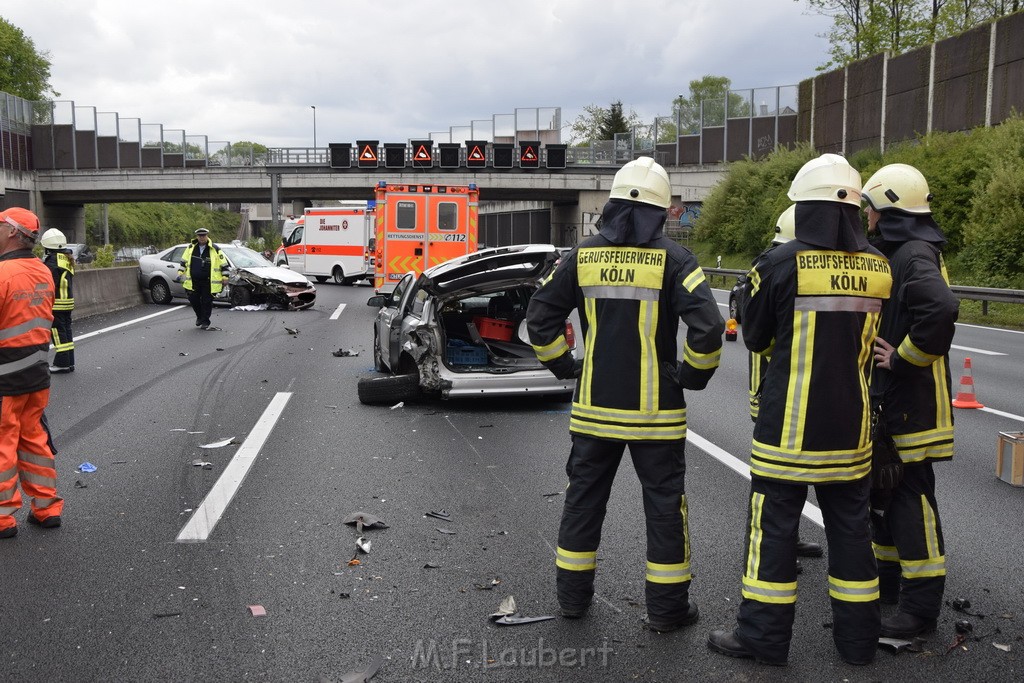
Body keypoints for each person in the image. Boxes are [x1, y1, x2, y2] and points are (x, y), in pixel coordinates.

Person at [707, 154, 892, 666]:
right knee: (853, 535)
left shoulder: (779, 263)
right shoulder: (879, 267)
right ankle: (857, 646)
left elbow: (759, 337)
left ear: (803, 208)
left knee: (772, 536)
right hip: (851, 434)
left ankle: (763, 641)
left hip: (787, 433)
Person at [526, 157, 724, 632]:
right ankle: (668, 611)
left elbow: (539, 320)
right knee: (663, 510)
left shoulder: (580, 256)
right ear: (659, 211)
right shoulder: (677, 261)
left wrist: (565, 366)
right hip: (657, 417)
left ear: (611, 207)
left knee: (583, 503)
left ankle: (572, 602)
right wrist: (689, 378)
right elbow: (709, 329)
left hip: (594, 412)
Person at [862, 163, 958, 639]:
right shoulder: (910, 249)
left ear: (889, 209)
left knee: (910, 499)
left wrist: (902, 358)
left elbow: (939, 310)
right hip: (902, 401)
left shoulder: (913, 254)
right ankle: (891, 585)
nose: (866, 218)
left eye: (871, 208)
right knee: (889, 494)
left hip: (913, 405)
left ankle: (919, 610)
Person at [744, 206, 823, 564]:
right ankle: (764, 542)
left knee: (789, 473)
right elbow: (757, 333)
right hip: (773, 390)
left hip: (789, 389)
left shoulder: (787, 267)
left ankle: (787, 540)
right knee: (773, 475)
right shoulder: (773, 269)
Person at [0, 207, 65, 538]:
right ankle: (46, 507)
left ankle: (2, 517)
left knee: (3, 444)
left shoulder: (2, 275)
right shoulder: (42, 272)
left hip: (4, 378)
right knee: (34, 438)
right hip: (36, 374)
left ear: (12, 232)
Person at [177, 228, 229, 329]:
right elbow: (183, 262)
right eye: (200, 236)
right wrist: (180, 272)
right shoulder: (191, 247)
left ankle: (205, 321)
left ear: (207, 236)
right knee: (193, 299)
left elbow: (224, 265)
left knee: (206, 302)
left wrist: (225, 277)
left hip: (208, 281)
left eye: (204, 235)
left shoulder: (215, 249)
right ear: (197, 236)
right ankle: (200, 317)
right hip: (193, 281)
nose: (202, 237)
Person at [40, 228, 76, 373]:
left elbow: (49, 284)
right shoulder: (66, 259)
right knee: (66, 331)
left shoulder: (52, 262)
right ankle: (69, 362)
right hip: (67, 302)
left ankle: (62, 363)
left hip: (57, 303)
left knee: (57, 332)